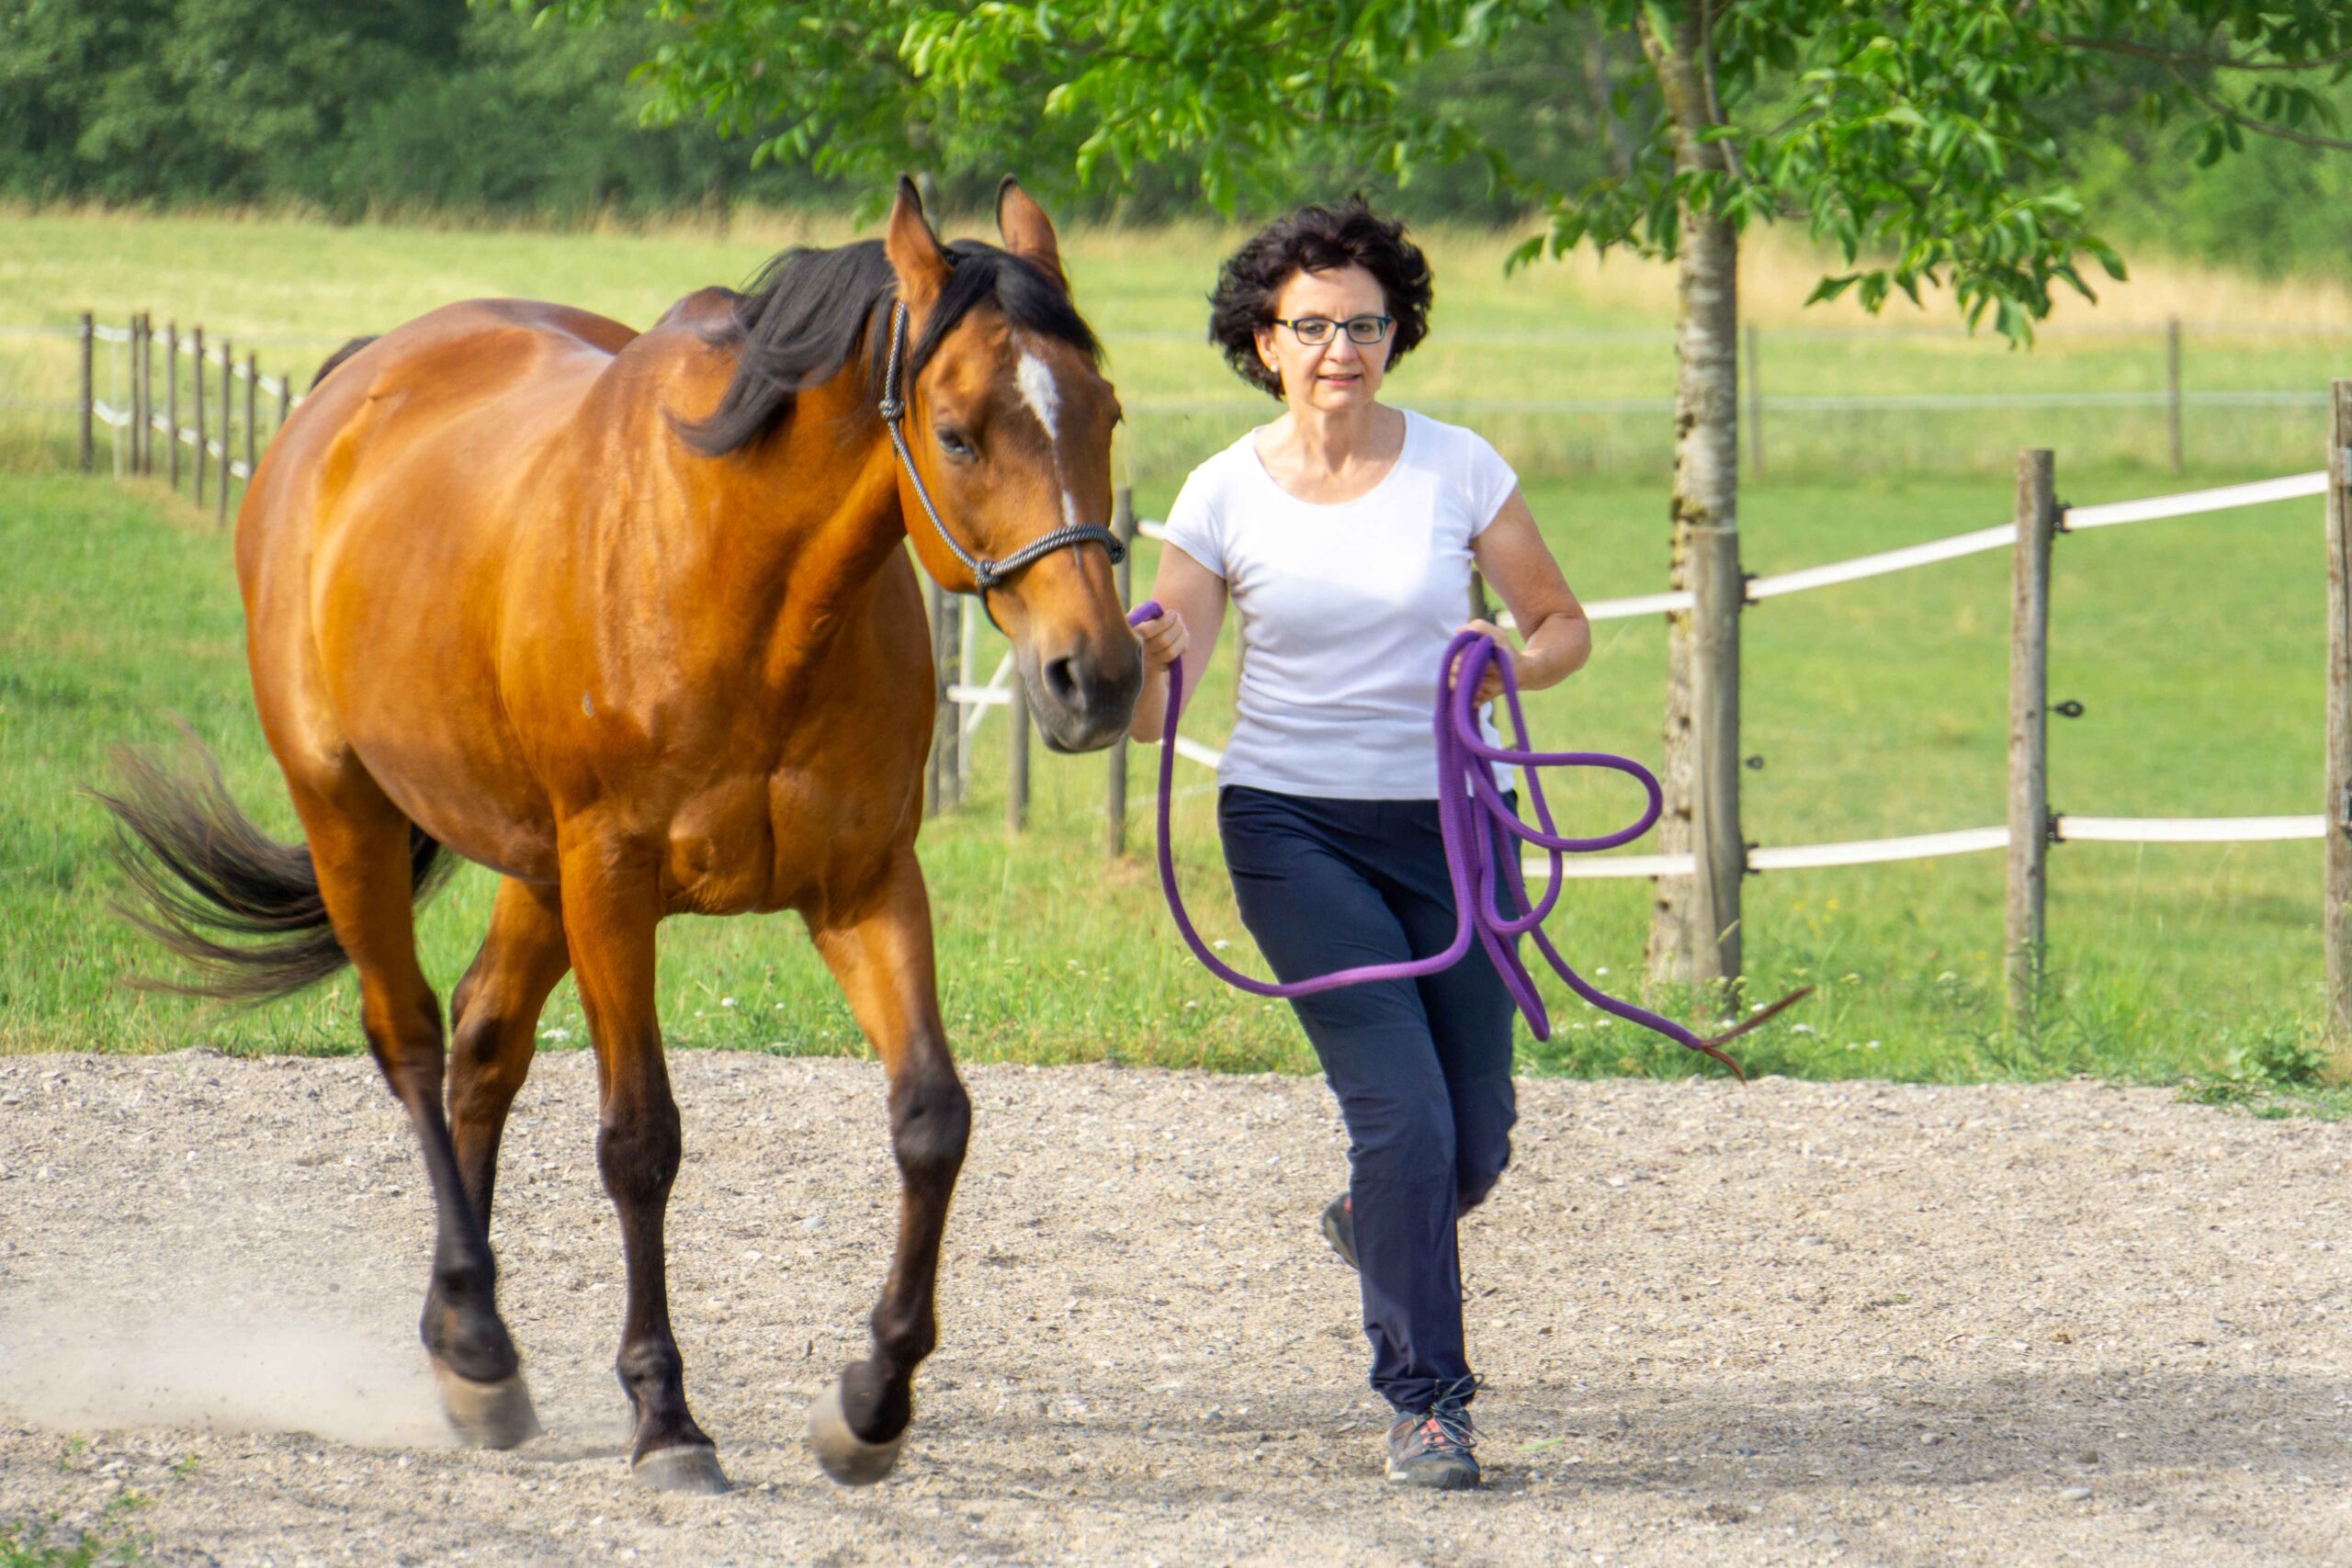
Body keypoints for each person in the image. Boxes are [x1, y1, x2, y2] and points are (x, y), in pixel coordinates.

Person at [1129, 199, 1593, 1490]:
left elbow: (1562, 624)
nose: (1343, 347)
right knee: (1400, 1116)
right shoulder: (1219, 492)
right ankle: (1427, 1402)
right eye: (1314, 325)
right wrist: (1143, 660)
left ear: (1397, 333)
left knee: (1476, 1141)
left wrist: (1510, 654)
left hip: (1454, 822)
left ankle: (1369, 1227)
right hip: (1293, 829)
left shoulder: (1460, 468)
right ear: (1263, 341)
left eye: (1366, 323)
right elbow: (1160, 703)